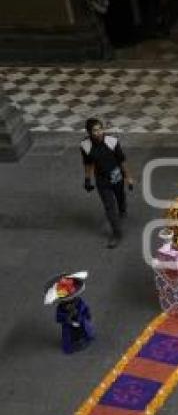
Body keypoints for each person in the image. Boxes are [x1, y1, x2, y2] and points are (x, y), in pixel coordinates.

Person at [80, 118, 134, 248]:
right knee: (110, 207)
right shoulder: (85, 145)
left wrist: (128, 177)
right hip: (101, 179)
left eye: (100, 129)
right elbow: (88, 163)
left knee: (120, 197)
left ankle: (122, 209)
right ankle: (116, 234)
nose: (98, 133)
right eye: (95, 130)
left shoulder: (112, 141)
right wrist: (87, 179)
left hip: (116, 175)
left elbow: (122, 161)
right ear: (89, 132)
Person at [44, 272, 95, 354]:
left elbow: (85, 309)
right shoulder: (62, 307)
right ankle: (74, 344)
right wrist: (69, 319)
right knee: (71, 335)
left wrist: (83, 316)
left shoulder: (78, 302)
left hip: (80, 320)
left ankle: (83, 340)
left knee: (83, 331)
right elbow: (59, 317)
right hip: (70, 324)